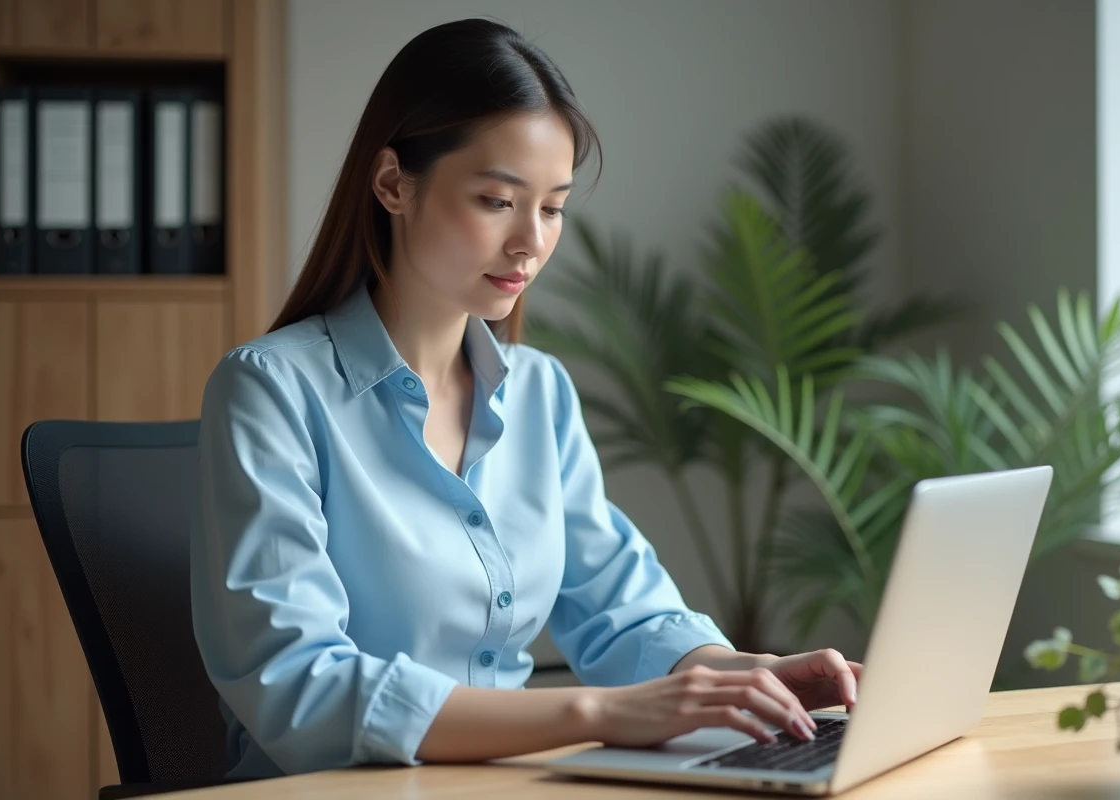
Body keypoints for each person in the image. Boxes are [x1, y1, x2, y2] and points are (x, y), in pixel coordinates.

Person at [190, 17, 861, 780]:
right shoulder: (271, 391)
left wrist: (739, 673)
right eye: (495, 200)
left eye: (552, 207)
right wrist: (596, 713)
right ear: (392, 184)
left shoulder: (538, 392)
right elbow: (300, 688)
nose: (530, 244)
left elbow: (623, 610)